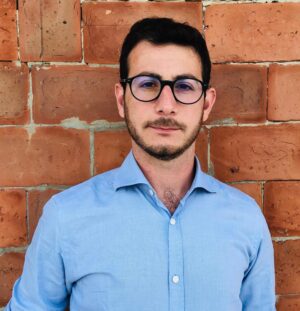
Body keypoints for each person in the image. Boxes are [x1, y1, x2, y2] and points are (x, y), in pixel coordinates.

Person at [6, 18, 275, 311]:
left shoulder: (246, 219)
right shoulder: (66, 218)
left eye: (184, 86)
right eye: (148, 84)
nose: (166, 104)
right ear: (122, 100)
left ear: (206, 104)